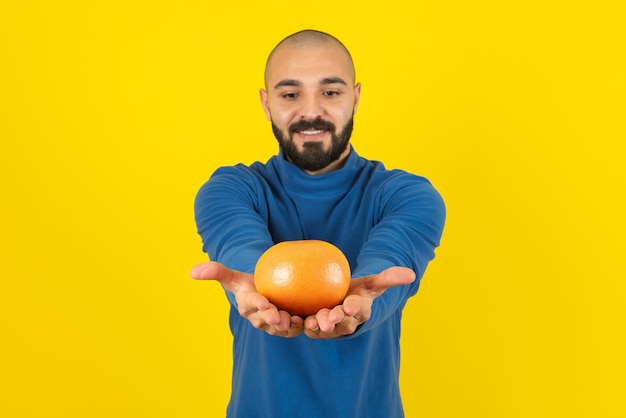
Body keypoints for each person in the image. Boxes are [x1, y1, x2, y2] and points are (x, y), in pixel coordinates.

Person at [191, 29, 446, 418]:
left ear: (355, 97)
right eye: (290, 94)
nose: (311, 112)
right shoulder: (231, 190)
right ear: (266, 103)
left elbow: (389, 257)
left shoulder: (407, 196)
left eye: (330, 92)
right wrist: (258, 288)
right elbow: (241, 249)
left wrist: (362, 304)